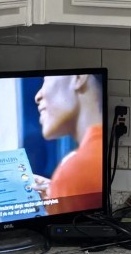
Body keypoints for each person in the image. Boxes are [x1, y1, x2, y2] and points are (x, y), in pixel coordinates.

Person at [32, 73, 105, 214]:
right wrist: (57, 192)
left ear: (78, 78)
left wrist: (65, 184)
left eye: (45, 80)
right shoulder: (104, 151)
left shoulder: (76, 169)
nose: (37, 96)